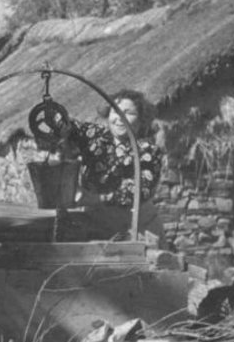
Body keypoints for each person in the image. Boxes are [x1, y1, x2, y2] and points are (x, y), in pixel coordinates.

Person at [58, 89, 164, 246]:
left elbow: (137, 191)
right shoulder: (96, 135)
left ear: (141, 120)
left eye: (129, 113)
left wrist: (97, 199)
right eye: (116, 112)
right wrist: (59, 122)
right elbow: (72, 127)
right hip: (95, 222)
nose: (120, 118)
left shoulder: (148, 150)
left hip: (136, 226)